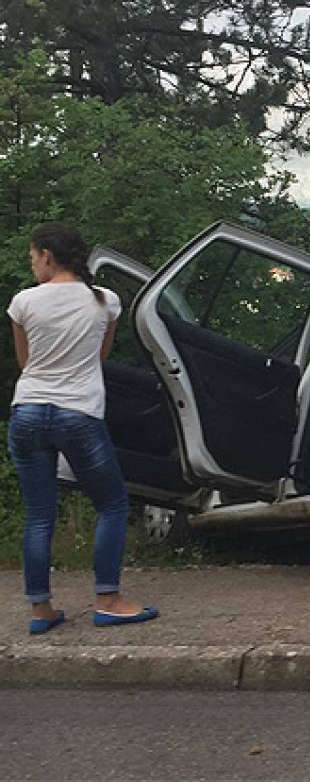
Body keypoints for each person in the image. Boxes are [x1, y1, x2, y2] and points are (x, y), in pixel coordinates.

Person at [8, 222, 158, 634]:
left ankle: (41, 612)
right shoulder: (105, 301)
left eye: (33, 257)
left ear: (47, 257)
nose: (32, 264)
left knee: (40, 515)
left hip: (28, 412)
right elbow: (100, 357)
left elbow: (27, 363)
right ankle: (108, 600)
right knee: (112, 504)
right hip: (79, 413)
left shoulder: (23, 303)